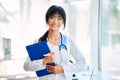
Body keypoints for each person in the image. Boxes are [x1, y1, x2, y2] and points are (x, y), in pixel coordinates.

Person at [23, 5, 86, 80]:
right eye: (52, 17)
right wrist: (44, 61)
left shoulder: (69, 42)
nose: (55, 22)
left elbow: (82, 63)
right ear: (47, 19)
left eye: (59, 18)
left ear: (63, 22)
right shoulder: (38, 42)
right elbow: (26, 66)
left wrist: (63, 69)